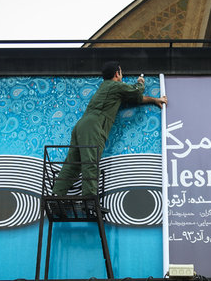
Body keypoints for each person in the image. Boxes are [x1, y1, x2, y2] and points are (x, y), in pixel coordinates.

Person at [52, 61, 167, 198]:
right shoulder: (115, 86)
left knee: (72, 164)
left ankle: (56, 196)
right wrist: (141, 82)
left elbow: (134, 98)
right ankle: (89, 199)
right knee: (90, 161)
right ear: (117, 73)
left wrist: (154, 100)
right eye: (121, 73)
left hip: (81, 125)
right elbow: (136, 91)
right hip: (93, 126)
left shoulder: (107, 88)